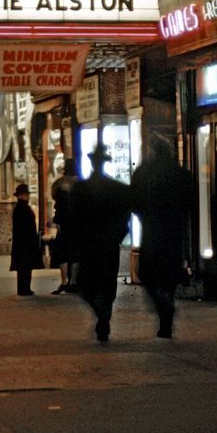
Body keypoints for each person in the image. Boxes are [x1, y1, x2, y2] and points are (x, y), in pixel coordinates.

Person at [130, 134, 193, 338]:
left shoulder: (144, 172)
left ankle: (163, 306)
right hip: (174, 230)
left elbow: (135, 201)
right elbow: (189, 200)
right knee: (169, 275)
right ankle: (166, 314)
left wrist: (144, 215)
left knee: (148, 272)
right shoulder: (179, 173)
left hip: (151, 228)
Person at [74, 143, 131, 343]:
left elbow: (74, 220)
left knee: (88, 284)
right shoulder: (117, 189)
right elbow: (125, 219)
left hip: (91, 245)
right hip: (106, 245)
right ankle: (104, 314)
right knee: (105, 285)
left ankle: (102, 314)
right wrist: (116, 236)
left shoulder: (81, 189)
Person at [50, 163, 80, 294]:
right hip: (76, 225)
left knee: (62, 255)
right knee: (75, 254)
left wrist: (58, 223)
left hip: (63, 226)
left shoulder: (58, 185)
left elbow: (57, 206)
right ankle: (73, 282)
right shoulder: (79, 186)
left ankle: (64, 281)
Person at [9, 183, 43, 295]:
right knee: (25, 267)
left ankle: (24, 288)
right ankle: (24, 289)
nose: (25, 196)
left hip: (23, 242)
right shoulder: (21, 208)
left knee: (24, 267)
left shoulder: (20, 208)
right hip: (25, 242)